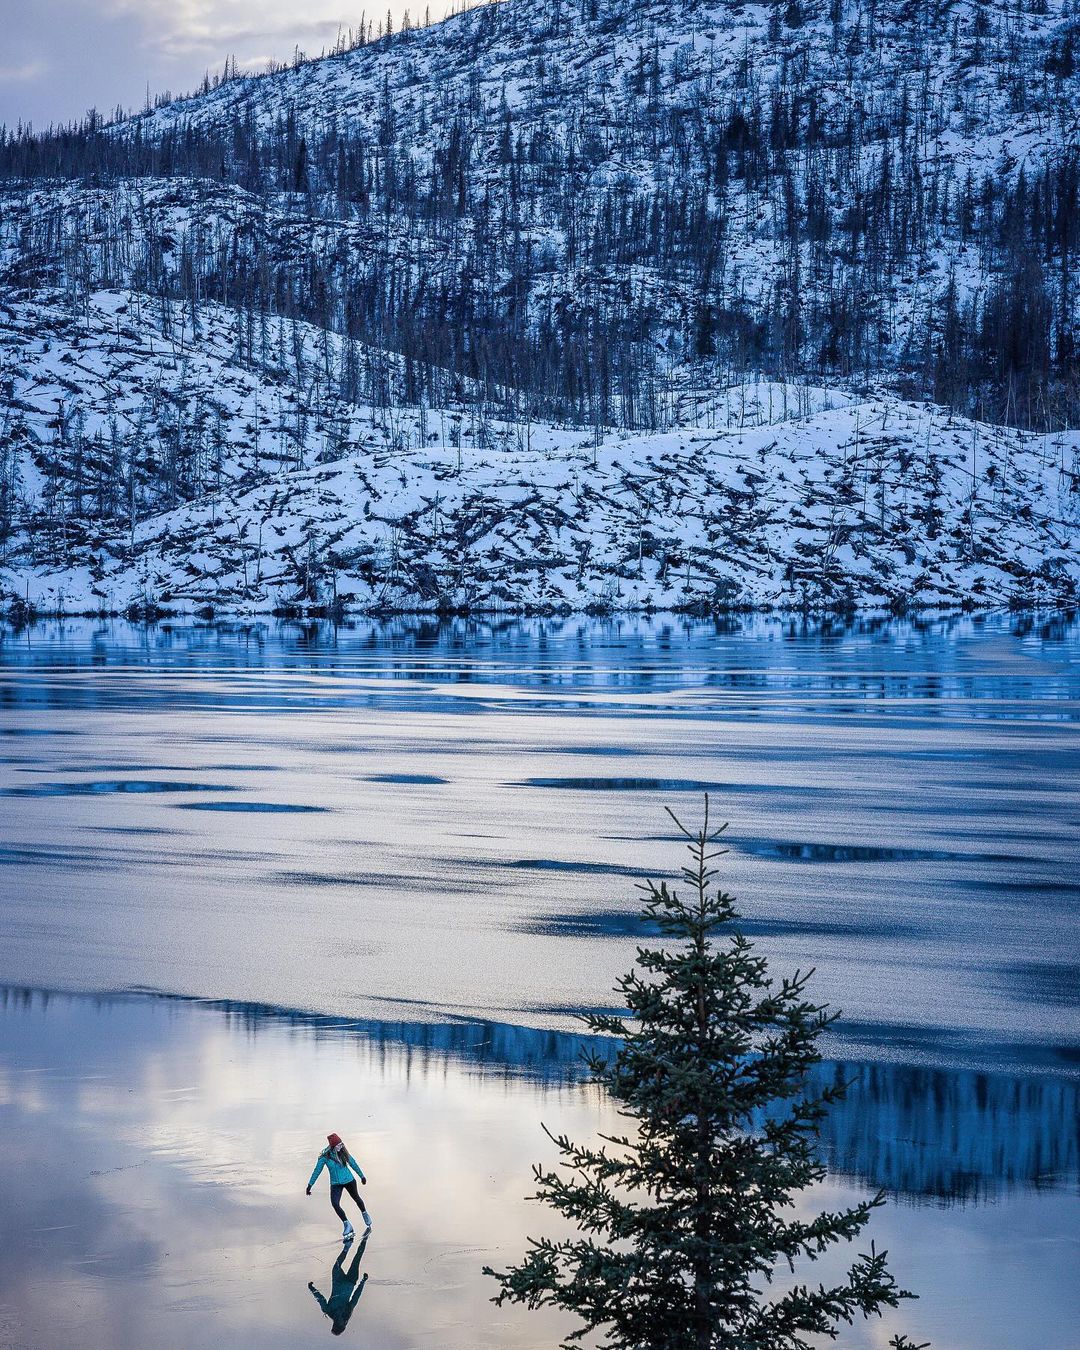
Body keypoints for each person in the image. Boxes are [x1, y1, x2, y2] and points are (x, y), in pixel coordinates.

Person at [307, 1132, 371, 1240]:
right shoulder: (324, 1157)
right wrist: (310, 1185)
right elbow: (317, 1171)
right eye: (338, 1145)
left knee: (356, 1198)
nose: (341, 1146)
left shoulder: (343, 1152)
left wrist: (362, 1176)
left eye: (341, 1144)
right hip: (336, 1183)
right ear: (332, 1146)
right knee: (335, 1204)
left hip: (349, 1180)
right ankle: (347, 1224)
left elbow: (353, 1164)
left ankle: (365, 1214)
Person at [309, 1231, 369, 1336]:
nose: (342, 1322)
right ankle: (364, 1239)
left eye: (339, 1324)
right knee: (357, 1258)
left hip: (338, 1280)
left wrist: (312, 1289)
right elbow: (356, 1297)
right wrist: (363, 1282)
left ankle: (348, 1245)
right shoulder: (347, 1312)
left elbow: (320, 1299)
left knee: (337, 1265)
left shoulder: (329, 1311)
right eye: (342, 1324)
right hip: (350, 1282)